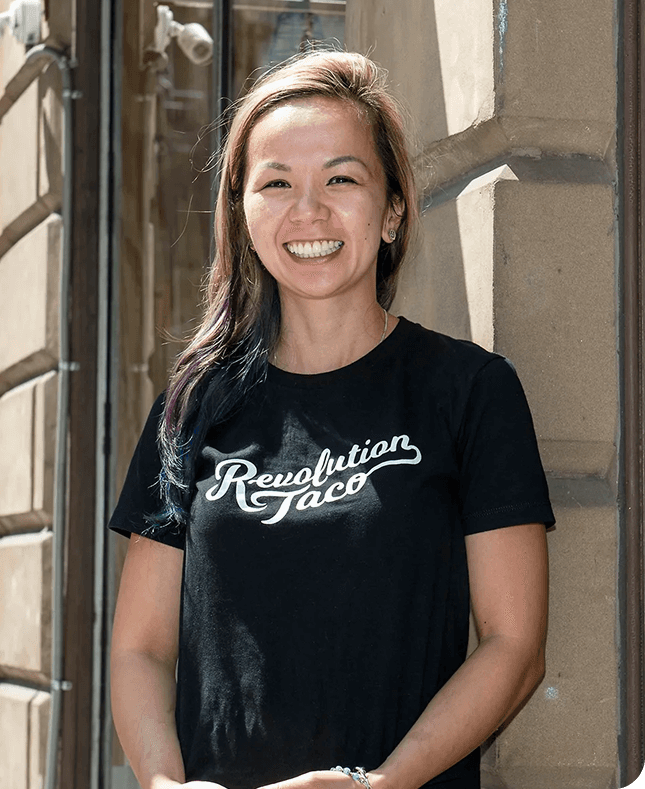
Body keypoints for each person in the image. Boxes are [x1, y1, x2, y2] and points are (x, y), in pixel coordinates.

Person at [108, 50, 554, 789]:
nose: (307, 211)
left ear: (392, 210)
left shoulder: (468, 391)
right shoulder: (191, 409)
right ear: (243, 214)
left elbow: (514, 646)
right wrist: (163, 784)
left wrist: (381, 785)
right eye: (276, 182)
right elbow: (141, 649)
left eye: (341, 178)